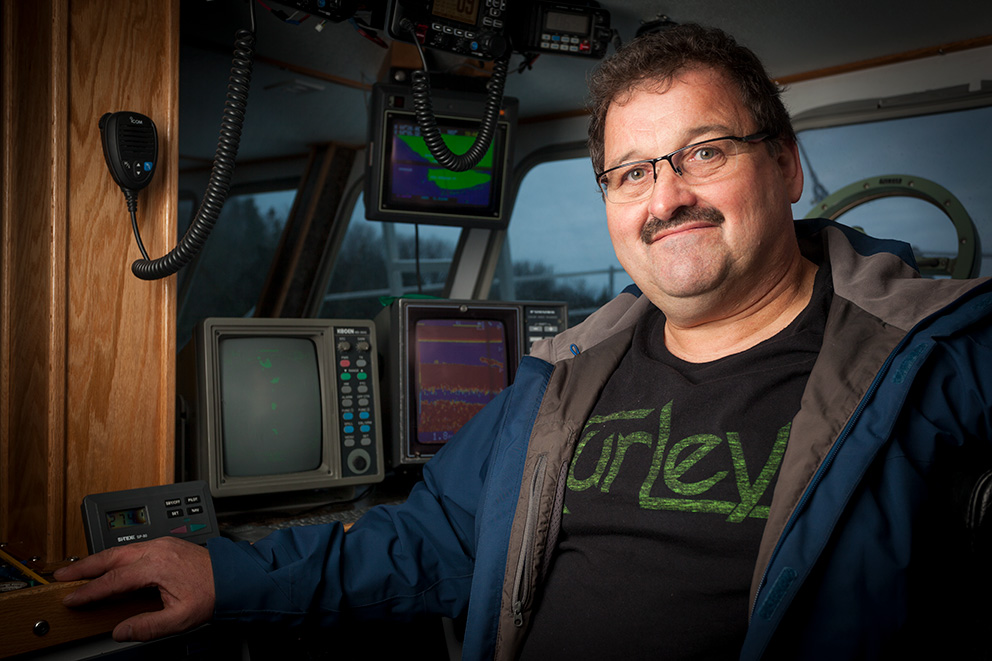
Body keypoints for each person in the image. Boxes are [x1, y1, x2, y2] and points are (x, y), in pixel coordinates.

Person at [56, 24, 992, 659]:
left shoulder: (941, 361)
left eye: (704, 152)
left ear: (786, 165)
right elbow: (427, 538)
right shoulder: (560, 378)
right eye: (630, 172)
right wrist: (223, 569)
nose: (665, 197)